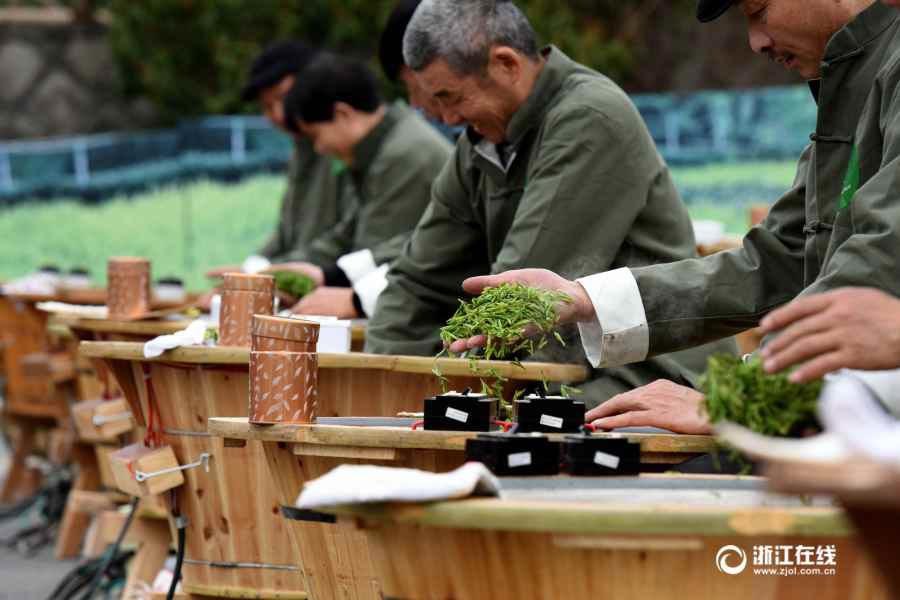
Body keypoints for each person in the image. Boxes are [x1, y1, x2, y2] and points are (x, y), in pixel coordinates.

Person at [453, 0, 900, 431]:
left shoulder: (586, 115)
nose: (755, 42)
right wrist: (584, 300)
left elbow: (878, 263)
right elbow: (779, 258)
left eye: (758, 11)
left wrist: (737, 399)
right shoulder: (853, 77)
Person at [365, 0, 735, 403]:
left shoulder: (589, 118)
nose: (447, 118)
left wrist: (439, 383)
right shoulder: (481, 142)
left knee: (491, 435)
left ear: (506, 64)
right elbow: (417, 280)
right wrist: (374, 378)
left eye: (449, 97)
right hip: (558, 371)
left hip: (650, 374)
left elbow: (515, 299)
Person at [268, 53, 452, 318]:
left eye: (316, 136)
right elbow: (347, 235)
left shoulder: (402, 154)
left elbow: (378, 250)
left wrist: (337, 285)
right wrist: (300, 273)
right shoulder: (378, 149)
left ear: (343, 114)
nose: (319, 148)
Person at [206, 41, 355, 276]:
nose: (278, 114)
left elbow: (347, 236)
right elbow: (287, 230)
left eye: (284, 97)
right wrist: (255, 266)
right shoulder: (301, 148)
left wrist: (268, 272)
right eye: (266, 106)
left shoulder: (343, 144)